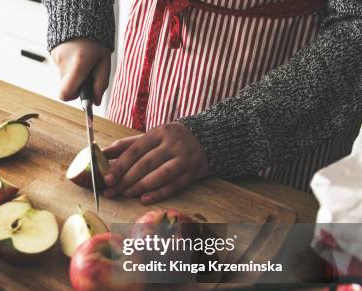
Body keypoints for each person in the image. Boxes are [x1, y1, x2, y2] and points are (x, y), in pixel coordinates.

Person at [45, 0, 362, 204]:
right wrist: (79, 15)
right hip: (146, 61)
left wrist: (225, 137)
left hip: (275, 132)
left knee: (240, 283)